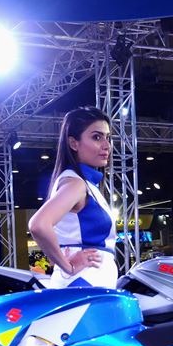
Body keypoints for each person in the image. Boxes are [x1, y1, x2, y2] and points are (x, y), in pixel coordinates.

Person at [28, 106, 116, 289]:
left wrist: (60, 263)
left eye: (108, 137)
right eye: (97, 137)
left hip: (88, 281)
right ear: (74, 143)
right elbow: (38, 225)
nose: (107, 146)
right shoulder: (75, 184)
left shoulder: (81, 183)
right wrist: (67, 266)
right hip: (85, 281)